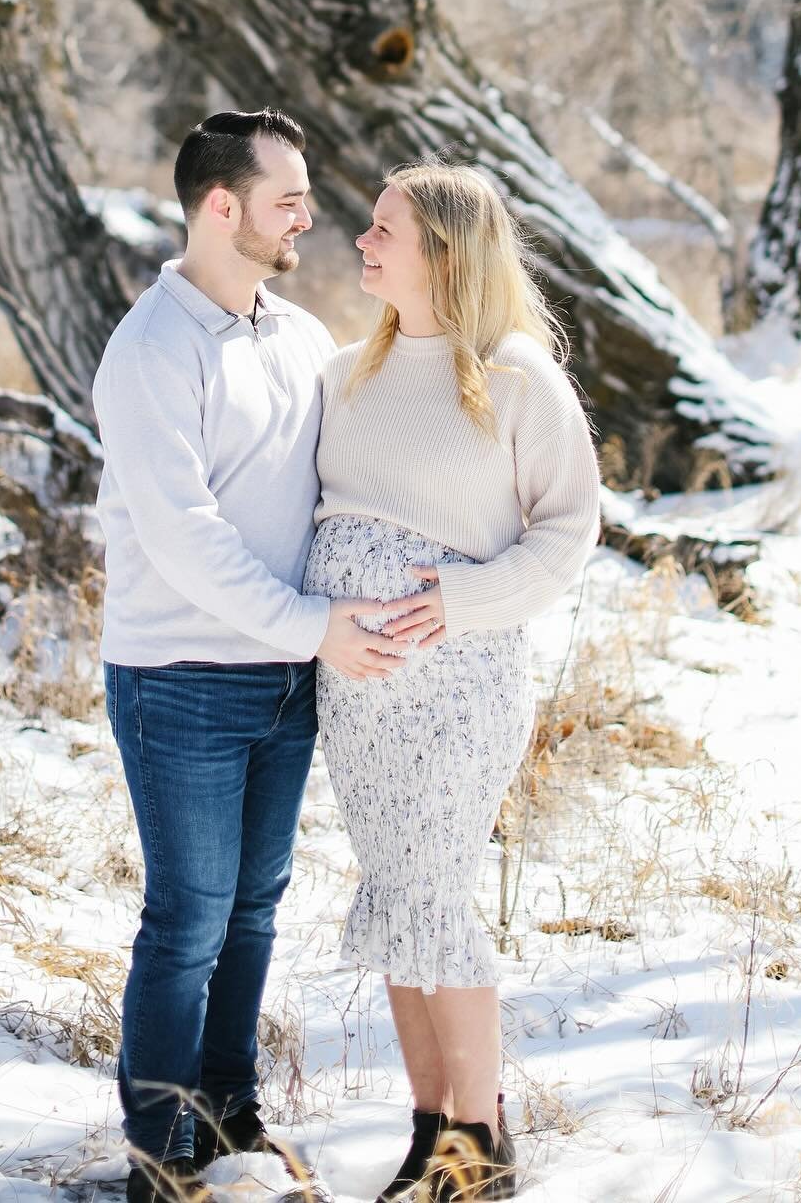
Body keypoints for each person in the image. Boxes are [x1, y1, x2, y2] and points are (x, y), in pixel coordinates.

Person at [91, 108, 405, 1203]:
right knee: (187, 920)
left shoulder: (300, 336)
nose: (307, 219)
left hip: (286, 678)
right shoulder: (150, 353)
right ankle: (159, 1152)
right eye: (287, 201)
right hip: (179, 680)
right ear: (221, 209)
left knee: (255, 906)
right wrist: (315, 627)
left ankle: (229, 1111)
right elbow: (184, 542)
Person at [306, 161, 602, 1202]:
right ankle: (432, 1131)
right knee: (397, 900)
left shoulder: (517, 373)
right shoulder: (346, 374)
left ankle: (479, 1148)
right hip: (358, 698)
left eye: (384, 230)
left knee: (438, 898)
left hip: (458, 685)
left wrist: (466, 602)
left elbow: (570, 525)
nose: (362, 242)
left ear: (443, 253)